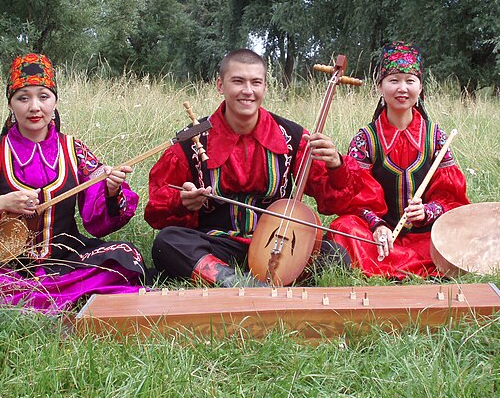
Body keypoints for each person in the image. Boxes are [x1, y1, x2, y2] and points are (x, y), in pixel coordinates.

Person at [144, 48, 386, 287]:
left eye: (256, 82)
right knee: (168, 242)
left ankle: (248, 278)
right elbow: (155, 208)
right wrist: (181, 200)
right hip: (217, 244)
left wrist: (336, 166)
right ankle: (234, 281)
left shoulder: (291, 136)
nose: (248, 91)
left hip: (280, 244)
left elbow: (332, 203)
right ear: (220, 85)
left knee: (335, 255)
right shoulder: (193, 142)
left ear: (265, 87)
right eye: (238, 81)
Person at [0, 53, 148, 312]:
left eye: (43, 96)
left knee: (126, 256)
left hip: (66, 258)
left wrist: (112, 190)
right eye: (23, 97)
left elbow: (98, 223)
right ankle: (65, 297)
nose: (34, 107)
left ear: (55, 101)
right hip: (4, 262)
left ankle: (24, 301)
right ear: (10, 104)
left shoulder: (74, 149)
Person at [328, 42, 469, 279]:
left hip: (425, 235)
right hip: (378, 236)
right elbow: (353, 198)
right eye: (393, 80)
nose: (402, 88)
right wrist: (376, 225)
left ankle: (388, 266)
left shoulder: (436, 138)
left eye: (410, 80)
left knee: (464, 232)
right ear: (380, 86)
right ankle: (421, 267)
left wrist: (428, 212)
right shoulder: (366, 139)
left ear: (420, 87)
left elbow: (453, 200)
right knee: (343, 229)